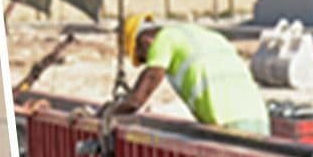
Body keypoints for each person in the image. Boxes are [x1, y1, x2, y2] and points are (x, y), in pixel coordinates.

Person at [106, 14, 270, 135]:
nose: (148, 61)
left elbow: (136, 101)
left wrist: (108, 115)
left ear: (145, 41)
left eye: (143, 58)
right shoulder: (210, 36)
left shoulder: (164, 39)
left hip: (227, 123)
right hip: (259, 119)